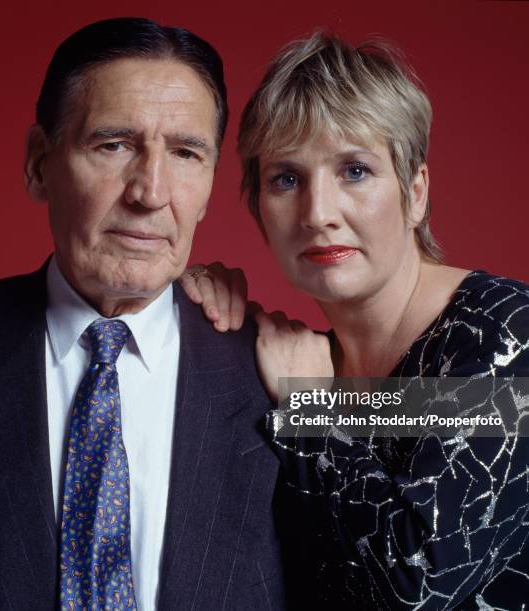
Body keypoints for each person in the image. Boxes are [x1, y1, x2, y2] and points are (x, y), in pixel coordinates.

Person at [0, 18, 291, 610]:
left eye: (186, 153)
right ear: (40, 162)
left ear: (211, 183)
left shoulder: (289, 374)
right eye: (113, 145)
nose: (150, 191)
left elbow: (484, 415)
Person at [180, 32, 529, 609]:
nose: (318, 214)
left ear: (415, 193)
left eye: (355, 171)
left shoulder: (506, 334)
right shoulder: (295, 361)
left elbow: (415, 584)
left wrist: (312, 410)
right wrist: (184, 309)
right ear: (259, 212)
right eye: (286, 179)